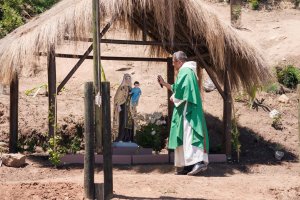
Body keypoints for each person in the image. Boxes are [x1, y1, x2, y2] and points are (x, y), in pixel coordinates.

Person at [157, 51, 209, 176]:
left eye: (174, 62)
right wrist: (164, 84)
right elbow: (178, 88)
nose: (173, 65)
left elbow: (182, 91)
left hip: (188, 110)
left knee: (190, 135)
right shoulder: (187, 72)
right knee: (184, 136)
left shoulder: (185, 71)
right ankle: (188, 165)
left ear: (180, 61)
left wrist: (174, 97)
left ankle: (197, 162)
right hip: (185, 109)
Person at [113, 74, 134, 142]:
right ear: (124, 79)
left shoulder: (131, 88)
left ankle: (128, 138)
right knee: (123, 122)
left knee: (130, 123)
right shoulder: (121, 87)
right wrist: (118, 105)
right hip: (123, 106)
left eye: (129, 78)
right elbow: (116, 98)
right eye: (127, 78)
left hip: (129, 107)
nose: (128, 80)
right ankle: (121, 138)